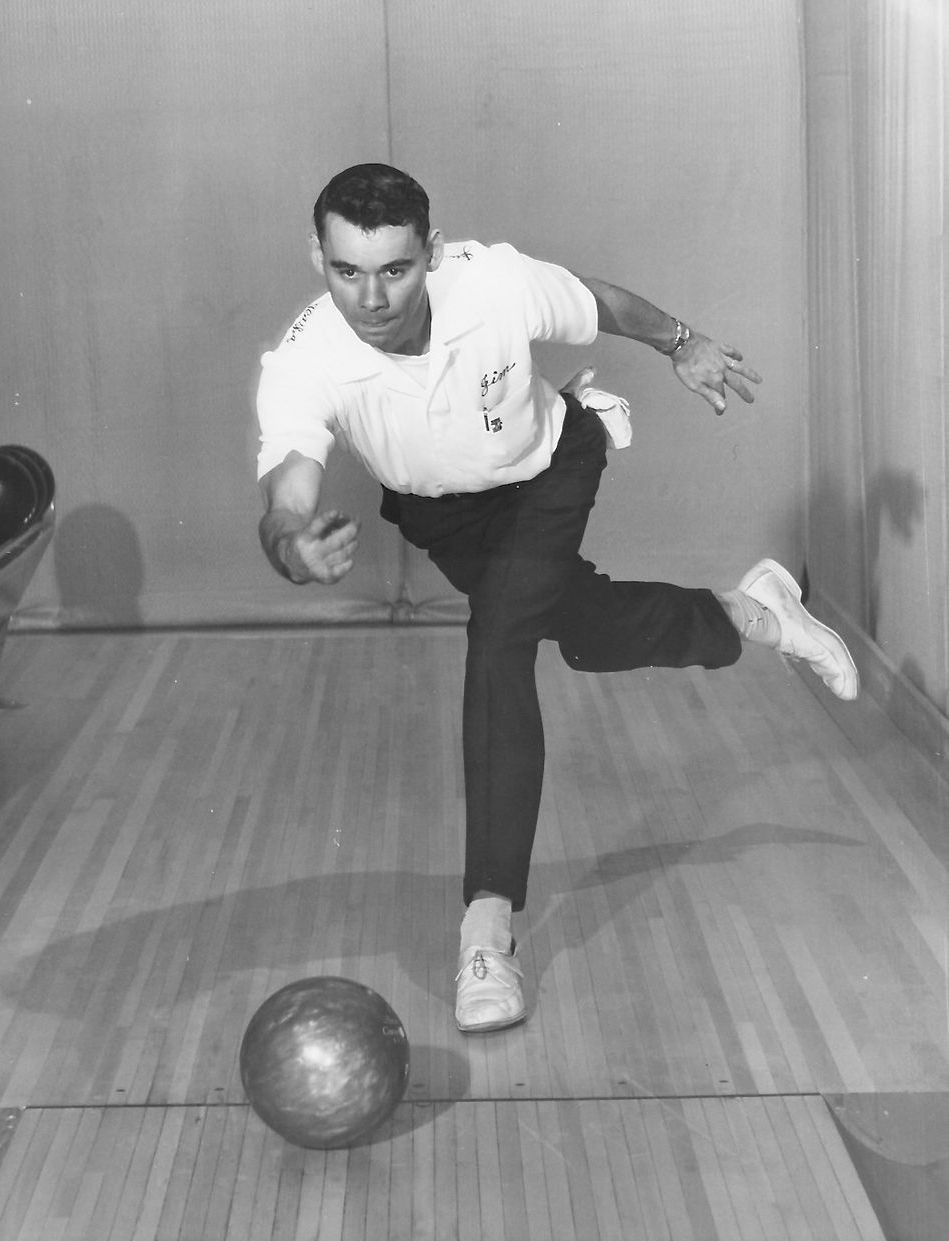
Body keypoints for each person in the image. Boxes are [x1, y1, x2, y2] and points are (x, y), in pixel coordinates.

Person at [255, 163, 858, 1034]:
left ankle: (487, 930)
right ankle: (752, 611)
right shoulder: (306, 359)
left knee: (499, 643)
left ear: (430, 250)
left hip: (548, 471)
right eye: (347, 270)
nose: (373, 297)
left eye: (395, 269)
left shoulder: (492, 282)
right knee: (585, 630)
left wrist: (682, 339)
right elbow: (286, 492)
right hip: (444, 516)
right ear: (318, 255)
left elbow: (598, 302)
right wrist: (293, 546)